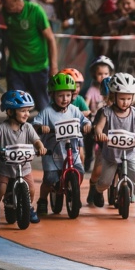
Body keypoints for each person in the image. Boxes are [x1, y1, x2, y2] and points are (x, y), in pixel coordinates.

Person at [88, 72, 135, 214]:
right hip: (111, 153)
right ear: (113, 96)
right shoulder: (107, 112)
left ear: (133, 98)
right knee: (105, 181)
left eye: (129, 98)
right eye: (122, 98)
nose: (125, 102)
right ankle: (98, 191)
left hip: (130, 152)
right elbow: (99, 126)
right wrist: (100, 133)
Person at [32, 72, 91, 219]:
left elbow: (85, 121)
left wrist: (88, 125)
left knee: (80, 172)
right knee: (50, 179)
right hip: (54, 153)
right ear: (52, 95)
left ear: (72, 95)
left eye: (67, 95)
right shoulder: (47, 112)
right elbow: (35, 124)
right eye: (60, 95)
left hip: (72, 150)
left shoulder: (74, 110)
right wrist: (41, 128)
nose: (64, 99)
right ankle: (43, 199)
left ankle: (73, 191)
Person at [0, 90, 47, 226]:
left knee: (31, 189)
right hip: (5, 168)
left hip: (24, 167)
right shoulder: (2, 127)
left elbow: (36, 140)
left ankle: (29, 207)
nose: (27, 114)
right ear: (10, 112)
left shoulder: (28, 127)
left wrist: (40, 147)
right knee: (0, 189)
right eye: (22, 111)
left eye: (28, 111)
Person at [0, 0, 58, 111]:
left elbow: (51, 39)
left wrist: (53, 67)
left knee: (44, 108)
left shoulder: (35, 11)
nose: (2, 3)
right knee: (14, 106)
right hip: (16, 67)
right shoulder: (6, 12)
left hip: (38, 67)